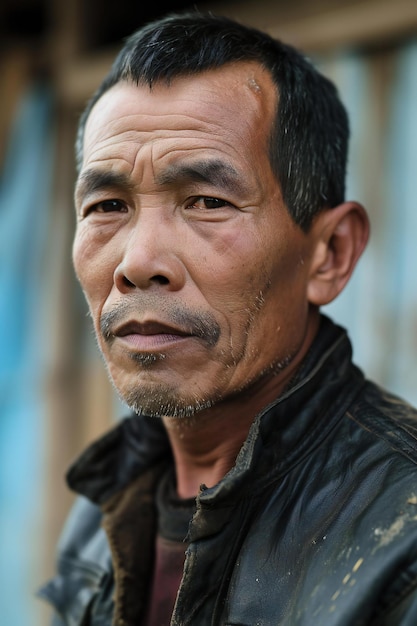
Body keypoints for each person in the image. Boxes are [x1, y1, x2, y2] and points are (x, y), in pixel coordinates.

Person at [39, 11, 417, 626]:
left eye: (207, 202)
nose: (138, 263)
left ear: (331, 253)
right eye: (107, 205)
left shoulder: (399, 542)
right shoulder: (102, 508)